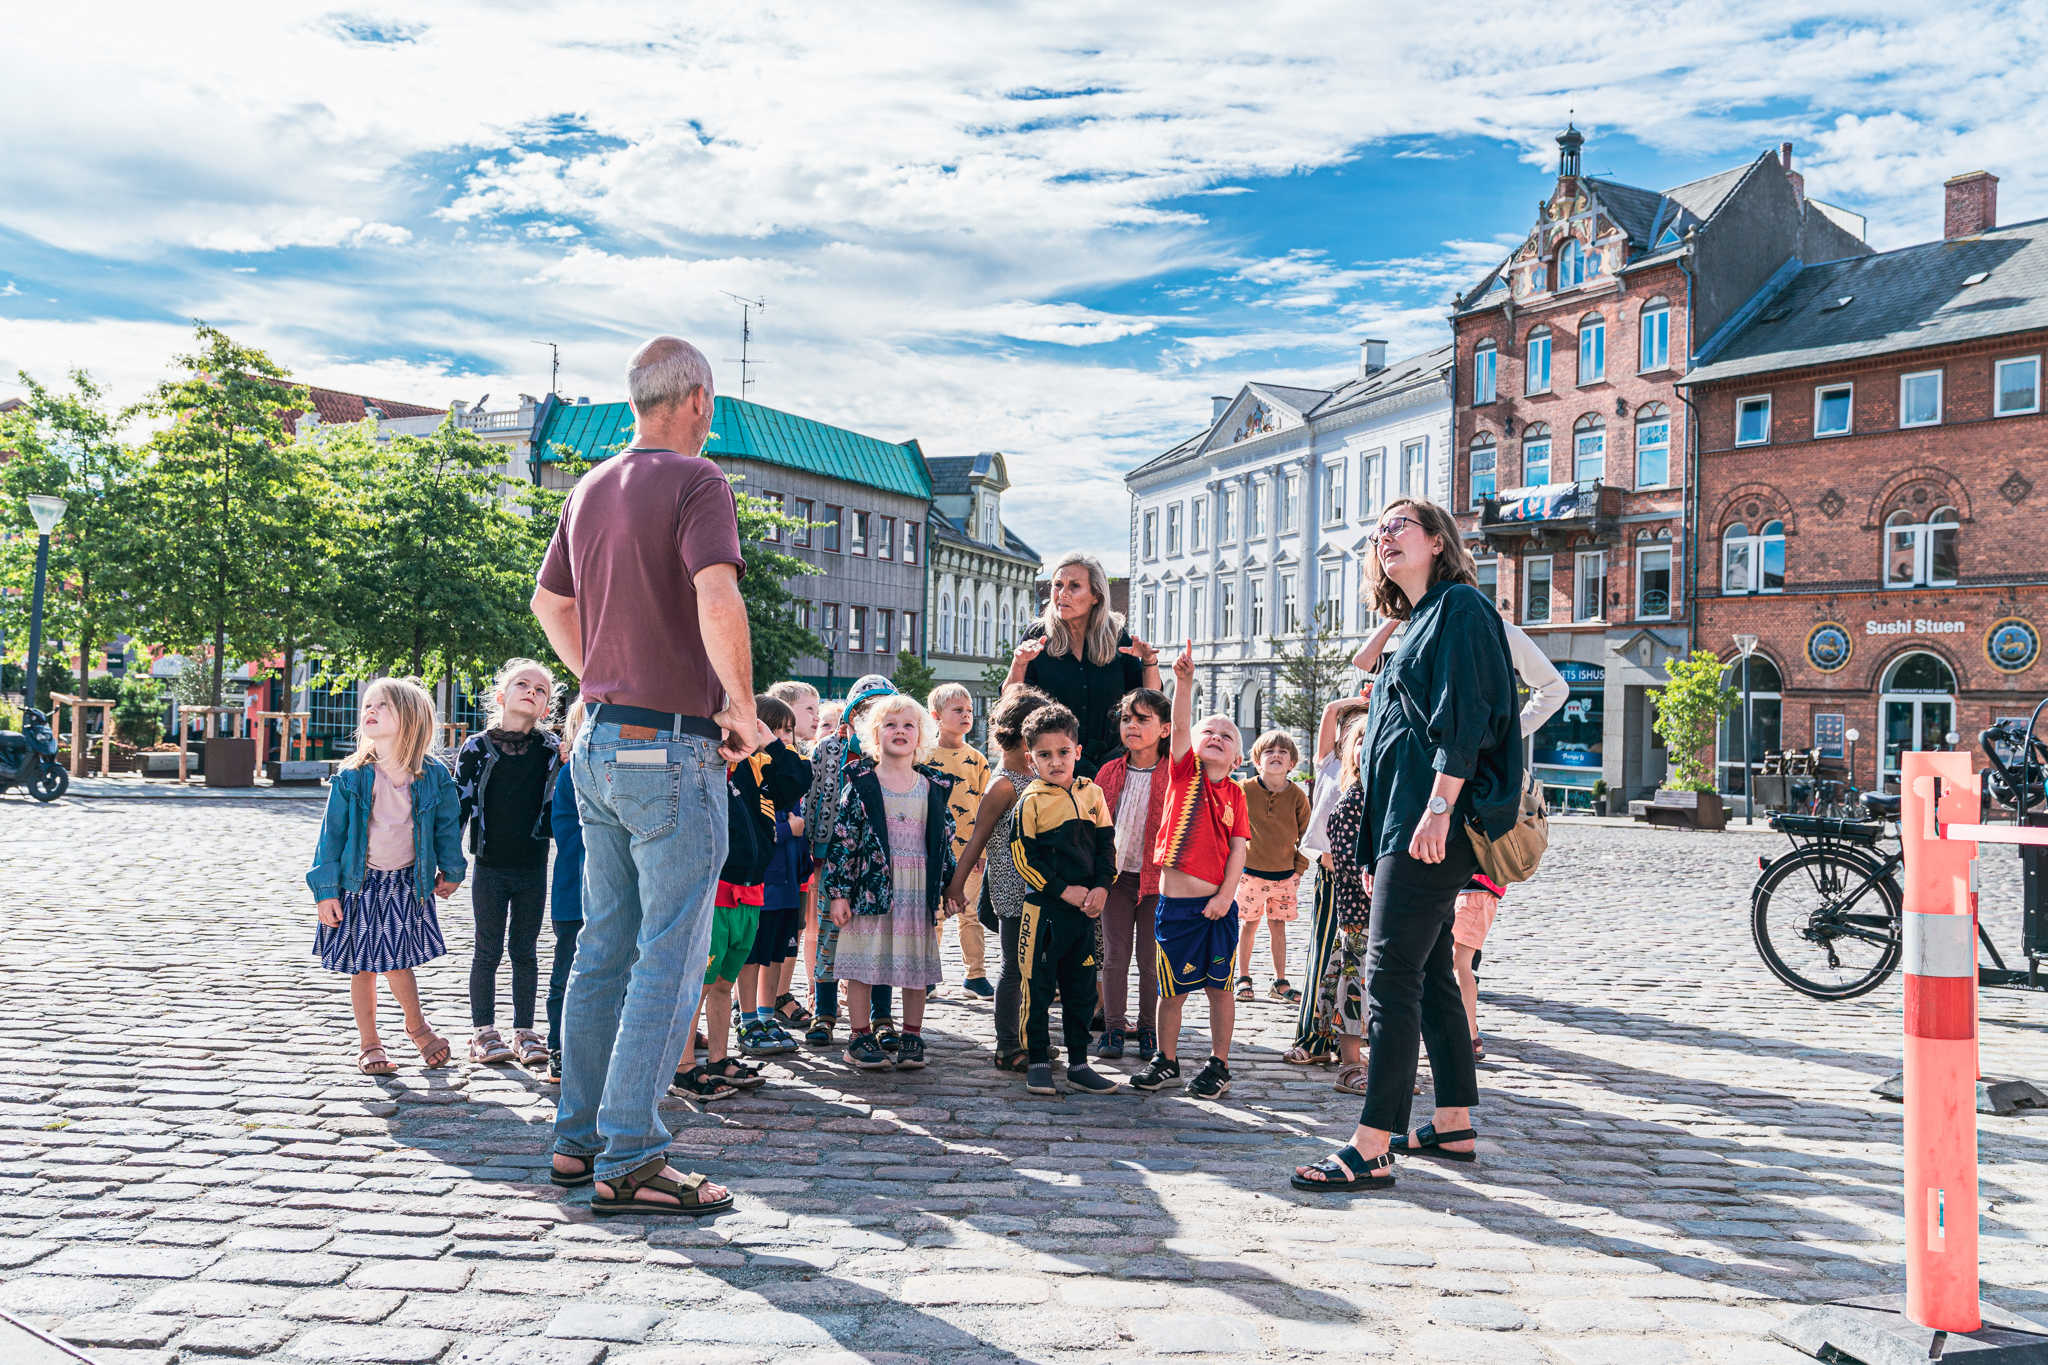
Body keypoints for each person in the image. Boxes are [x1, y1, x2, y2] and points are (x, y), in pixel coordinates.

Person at [532, 333, 749, 1218]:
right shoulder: (697, 482)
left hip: (600, 745)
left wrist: (596, 681)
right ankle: (633, 1152)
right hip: (671, 746)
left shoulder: (588, 487)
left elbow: (550, 603)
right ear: (695, 398)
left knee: (604, 947)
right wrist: (738, 700)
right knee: (672, 949)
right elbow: (716, 591)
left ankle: (576, 1140)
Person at [1293, 499, 1520, 1194]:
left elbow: (1469, 716)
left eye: (1400, 526)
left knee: (1389, 974)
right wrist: (1368, 839)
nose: (1384, 536)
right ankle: (1451, 1120)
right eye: (1377, 532)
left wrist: (1439, 807)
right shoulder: (1418, 621)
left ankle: (1372, 1144)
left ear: (1439, 541)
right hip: (1400, 822)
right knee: (1426, 975)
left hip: (1430, 820)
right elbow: (1385, 749)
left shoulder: (1460, 609)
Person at [1352, 610, 1564, 1062]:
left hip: (1463, 802)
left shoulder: (1485, 625)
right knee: (1429, 958)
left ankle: (1417, 1089)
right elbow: (1361, 664)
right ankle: (1450, 1096)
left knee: (1425, 961)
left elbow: (1554, 689)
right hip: (1409, 796)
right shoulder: (1409, 628)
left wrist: (1505, 736)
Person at [308, 677, 464, 1076]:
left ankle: (417, 1027)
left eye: (382, 705)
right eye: (367, 706)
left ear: (410, 718)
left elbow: (447, 828)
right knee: (363, 966)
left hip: (406, 883)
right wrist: (326, 891)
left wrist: (453, 870)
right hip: (359, 885)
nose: (370, 711)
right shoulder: (353, 776)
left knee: (398, 961)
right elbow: (331, 837)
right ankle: (370, 1043)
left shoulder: (433, 776)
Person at [1130, 642, 1250, 1099]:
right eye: (1210, 732)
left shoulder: (1237, 796)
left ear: (1237, 758)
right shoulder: (1185, 773)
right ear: (1193, 748)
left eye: (1227, 735)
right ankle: (1167, 1059)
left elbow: (1238, 851)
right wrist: (1183, 682)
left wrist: (1224, 896)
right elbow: (1180, 722)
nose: (1217, 736)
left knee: (1220, 988)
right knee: (1171, 990)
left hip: (1216, 908)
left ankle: (1219, 1063)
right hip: (1175, 907)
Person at [822, 694, 957, 1072]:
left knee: (915, 967)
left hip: (916, 892)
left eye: (908, 726)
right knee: (863, 965)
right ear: (874, 734)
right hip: (870, 888)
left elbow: (943, 839)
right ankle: (860, 1037)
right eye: (891, 725)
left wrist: (950, 885)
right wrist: (837, 894)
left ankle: (912, 1035)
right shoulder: (863, 783)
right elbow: (844, 841)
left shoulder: (931, 786)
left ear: (921, 736)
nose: (899, 731)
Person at [454, 658, 563, 1069]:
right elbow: (458, 806)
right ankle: (483, 1031)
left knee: (525, 949)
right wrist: (448, 862)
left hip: (533, 865)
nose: (531, 693)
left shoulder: (553, 750)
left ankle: (524, 1030)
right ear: (502, 695)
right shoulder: (476, 747)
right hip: (490, 865)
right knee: (487, 949)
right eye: (524, 685)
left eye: (541, 691)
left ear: (546, 708)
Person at [1009, 703, 1119, 1096]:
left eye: (1063, 752)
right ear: (1030, 758)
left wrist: (1103, 888)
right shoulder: (1031, 801)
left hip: (1085, 913)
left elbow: (1107, 848)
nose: (1055, 762)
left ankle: (1078, 1063)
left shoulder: (1093, 794)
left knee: (1082, 989)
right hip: (1045, 913)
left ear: (1078, 750)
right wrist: (1061, 889)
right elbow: (1023, 856)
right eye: (1044, 755)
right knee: (1037, 987)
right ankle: (1037, 1059)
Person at [944, 685, 1055, 1072]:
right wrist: (956, 887)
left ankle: (1029, 1035)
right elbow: (977, 840)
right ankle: (1008, 1044)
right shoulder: (1004, 783)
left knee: (1037, 968)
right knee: (1013, 966)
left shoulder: (1040, 779)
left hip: (1041, 890)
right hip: (1012, 891)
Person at [802, 676, 899, 1048]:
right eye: (864, 711)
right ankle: (824, 1011)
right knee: (829, 934)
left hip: (880, 862)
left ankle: (881, 1016)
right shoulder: (829, 749)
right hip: (832, 857)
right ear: (849, 718)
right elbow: (814, 798)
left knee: (879, 939)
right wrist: (813, 851)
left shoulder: (894, 752)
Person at [1004, 552, 1160, 775]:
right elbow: (1010, 704)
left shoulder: (1115, 635)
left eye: (1074, 586)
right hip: (1055, 769)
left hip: (1111, 766)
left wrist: (1149, 661)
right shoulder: (1038, 634)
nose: (1062, 594)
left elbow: (1150, 701)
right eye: (1058, 585)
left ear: (1096, 595)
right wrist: (1018, 664)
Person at [1287, 693, 1374, 1066]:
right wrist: (1361, 700)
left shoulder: (1379, 772)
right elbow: (1329, 711)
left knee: (1353, 966)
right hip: (1331, 877)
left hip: (1365, 877)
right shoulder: (1330, 763)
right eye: (1355, 730)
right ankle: (1312, 1036)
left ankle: (1346, 1039)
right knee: (1323, 956)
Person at [1092, 687, 1168, 1061]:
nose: (1132, 726)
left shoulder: (1175, 773)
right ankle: (1114, 1027)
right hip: (1117, 878)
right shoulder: (1109, 771)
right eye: (1127, 719)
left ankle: (1149, 1028)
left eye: (1143, 719)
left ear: (1165, 729)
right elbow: (1094, 825)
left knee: (1150, 958)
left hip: (1157, 880)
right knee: (1115, 954)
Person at [742, 694, 815, 1052]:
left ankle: (768, 1017)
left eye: (788, 731)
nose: (784, 737)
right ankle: (749, 1020)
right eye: (775, 729)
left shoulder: (788, 768)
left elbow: (801, 778)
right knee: (753, 956)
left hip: (788, 882)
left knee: (777, 953)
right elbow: (758, 827)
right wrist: (790, 829)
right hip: (762, 883)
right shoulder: (751, 768)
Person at [923, 685, 993, 998]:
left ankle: (975, 975)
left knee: (971, 914)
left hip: (970, 853)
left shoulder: (977, 760)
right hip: (933, 852)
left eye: (968, 710)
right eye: (958, 711)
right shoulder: (923, 757)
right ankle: (926, 974)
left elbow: (988, 809)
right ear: (936, 717)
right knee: (933, 915)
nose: (966, 715)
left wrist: (985, 851)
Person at [1234, 730, 1311, 1006]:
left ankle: (1280, 981)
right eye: (1269, 751)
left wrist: (1298, 869)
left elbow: (1307, 835)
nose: (1276, 755)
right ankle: (1243, 976)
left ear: (1292, 763)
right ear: (1257, 761)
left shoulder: (1298, 796)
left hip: (1284, 876)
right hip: (1250, 873)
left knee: (1278, 927)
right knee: (1248, 924)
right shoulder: (1244, 790)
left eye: (1283, 752)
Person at [764, 680, 822, 1032]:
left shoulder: (799, 758)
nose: (815, 717)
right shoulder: (770, 762)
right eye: (808, 709)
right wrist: (790, 829)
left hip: (795, 868)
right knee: (768, 942)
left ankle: (781, 995)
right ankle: (762, 1003)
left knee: (792, 934)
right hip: (771, 870)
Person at [544, 699, 588, 1085]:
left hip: (617, 898)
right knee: (566, 976)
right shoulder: (571, 774)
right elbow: (572, 835)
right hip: (576, 897)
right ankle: (557, 1046)